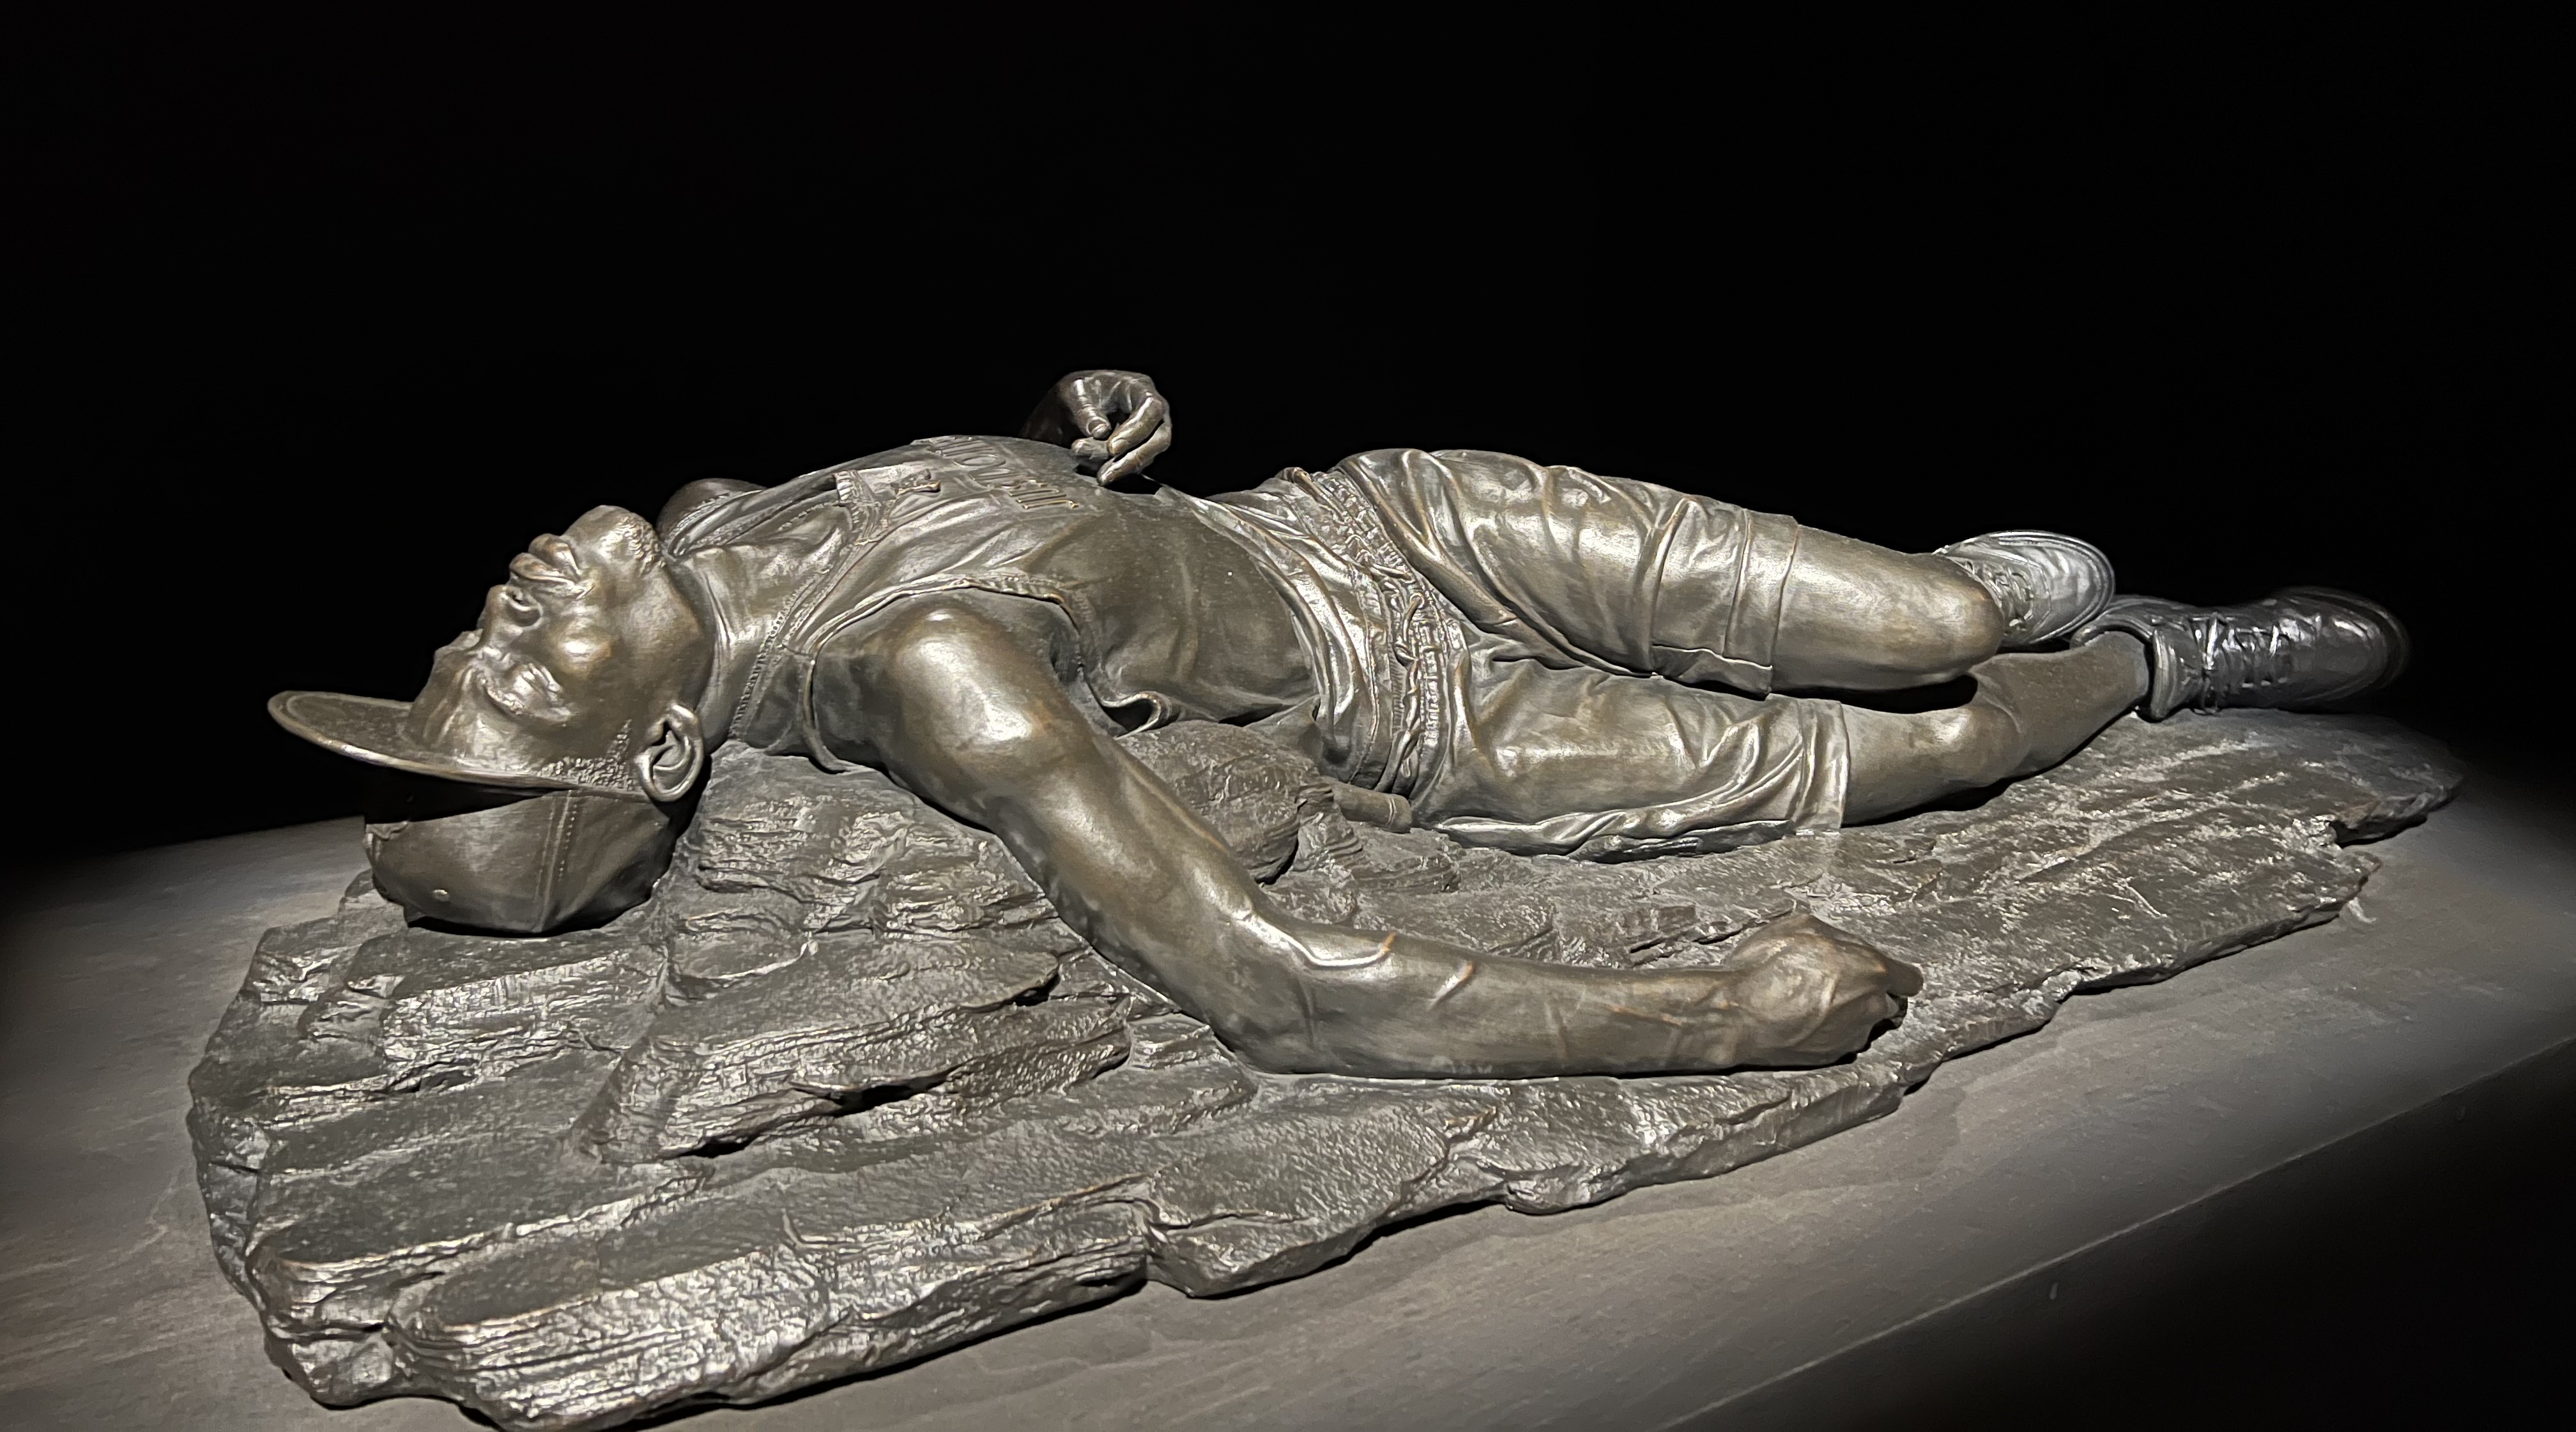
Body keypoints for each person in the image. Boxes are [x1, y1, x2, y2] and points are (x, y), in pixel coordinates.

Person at [273, 369, 2407, 1081]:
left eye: (459, 649)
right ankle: (2165, 660)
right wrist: (1725, 1011)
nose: (498, 615)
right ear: (660, 756)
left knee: (1932, 613)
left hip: (1376, 522)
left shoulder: (722, 521)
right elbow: (1272, 987)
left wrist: (1075, 429)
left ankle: (1968, 599)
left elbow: (1014, 503)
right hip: (1432, 703)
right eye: (517, 683)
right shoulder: (920, 674)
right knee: (1934, 743)